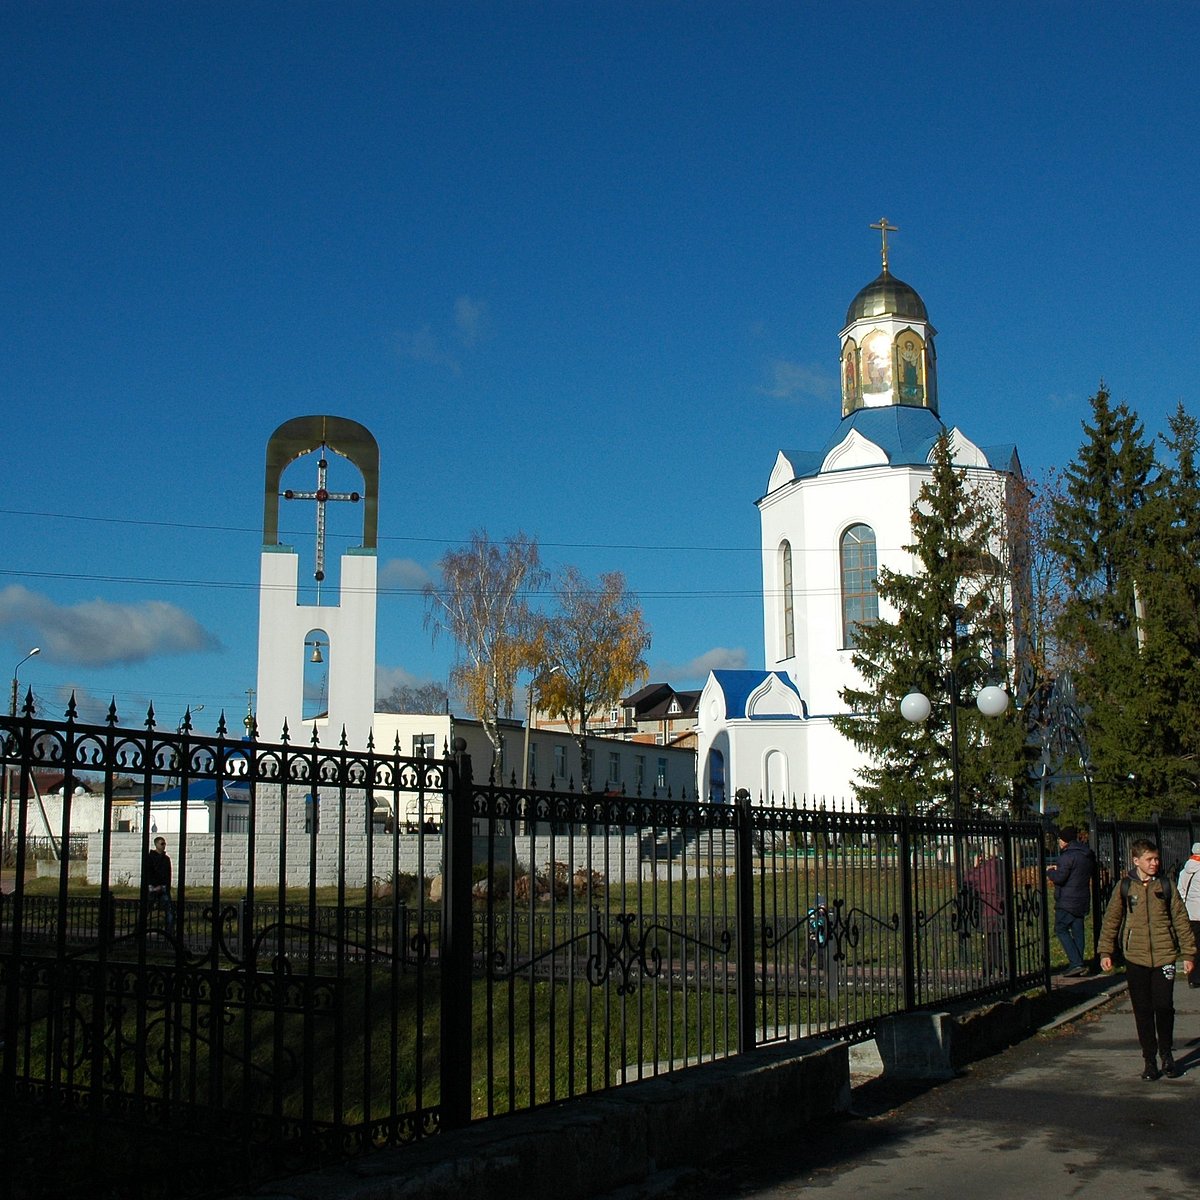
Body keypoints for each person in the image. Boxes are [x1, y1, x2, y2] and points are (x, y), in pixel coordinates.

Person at [1098, 838, 1196, 1079]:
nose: (1154, 863)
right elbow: (1112, 920)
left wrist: (1188, 953)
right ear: (1136, 861)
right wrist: (1105, 951)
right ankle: (1149, 1060)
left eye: (1156, 859)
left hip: (1164, 956)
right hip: (1136, 957)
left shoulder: (1165, 885)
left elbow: (1181, 920)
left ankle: (1166, 1054)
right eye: (1149, 859)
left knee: (1164, 1007)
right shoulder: (1125, 887)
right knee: (1142, 1010)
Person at [1046, 825, 1094, 977]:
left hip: (1067, 899)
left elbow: (1060, 878)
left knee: (1060, 929)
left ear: (1065, 840)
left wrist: (1050, 872)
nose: (1059, 842)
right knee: (1078, 930)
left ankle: (1076, 962)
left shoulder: (1067, 856)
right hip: (1082, 898)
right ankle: (1078, 964)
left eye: (1060, 839)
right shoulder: (1086, 854)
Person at [1179, 841, 1200, 989]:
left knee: (1193, 946)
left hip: (1191, 913)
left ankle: (1193, 977)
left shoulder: (1185, 871)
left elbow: (1181, 891)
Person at [145, 835, 175, 936]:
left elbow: (168, 875)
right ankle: (138, 933)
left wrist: (166, 887)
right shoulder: (150, 858)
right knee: (146, 910)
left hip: (163, 888)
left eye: (164, 843)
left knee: (169, 912)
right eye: (162, 843)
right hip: (153, 888)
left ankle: (169, 934)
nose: (164, 845)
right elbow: (149, 873)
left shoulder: (166, 859)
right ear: (156, 844)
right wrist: (152, 886)